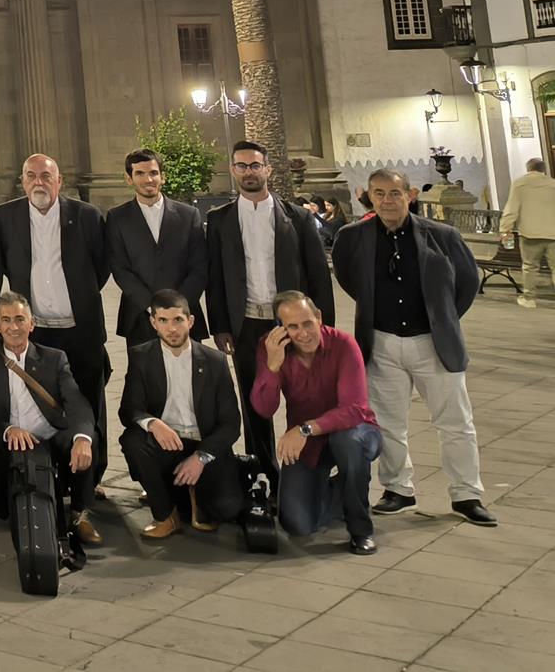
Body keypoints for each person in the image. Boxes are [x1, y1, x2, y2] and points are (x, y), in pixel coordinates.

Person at [331, 168, 493, 526]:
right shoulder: (352, 237)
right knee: (388, 423)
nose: (387, 200)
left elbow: (466, 282)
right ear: (369, 197)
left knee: (456, 422)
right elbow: (349, 278)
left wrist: (442, 318)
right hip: (382, 341)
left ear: (411, 195)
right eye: (379, 193)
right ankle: (398, 489)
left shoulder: (443, 236)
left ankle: (467, 494)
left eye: (394, 193)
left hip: (432, 342)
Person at [205, 140, 336, 463]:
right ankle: (264, 472)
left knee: (306, 395)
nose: (248, 172)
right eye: (241, 166)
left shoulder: (297, 219)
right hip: (246, 324)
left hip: (292, 324)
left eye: (254, 165)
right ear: (233, 170)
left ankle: (310, 465)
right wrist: (220, 326)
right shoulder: (219, 220)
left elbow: (319, 275)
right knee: (255, 401)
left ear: (268, 169)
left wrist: (324, 325)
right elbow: (215, 278)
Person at [0, 154, 110, 482]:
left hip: (80, 329)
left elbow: (101, 266)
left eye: (46, 176)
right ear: (23, 181)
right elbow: (0, 263)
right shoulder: (5, 217)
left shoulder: (86, 216)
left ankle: (92, 479)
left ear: (59, 181)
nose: (38, 182)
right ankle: (50, 471)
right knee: (42, 404)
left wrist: (77, 296)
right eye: (31, 176)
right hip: (36, 332)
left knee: (89, 402)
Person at [0, 292, 99, 545]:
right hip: (10, 445)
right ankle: (20, 506)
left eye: (20, 319)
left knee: (84, 438)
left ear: (32, 324)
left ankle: (79, 513)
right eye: (6, 320)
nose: (14, 327)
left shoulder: (54, 358)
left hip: (50, 438)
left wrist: (83, 439)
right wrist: (8, 431)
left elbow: (77, 403)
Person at [250, 291, 381, 554]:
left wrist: (305, 428)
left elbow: (354, 409)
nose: (303, 333)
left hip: (354, 432)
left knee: (348, 442)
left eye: (307, 323)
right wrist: (272, 367)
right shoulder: (271, 348)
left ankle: (360, 529)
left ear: (319, 317)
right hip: (307, 443)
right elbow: (264, 409)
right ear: (281, 328)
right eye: (293, 327)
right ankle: (340, 494)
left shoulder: (344, 344)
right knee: (297, 524)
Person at [118, 289, 244, 537]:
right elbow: (129, 410)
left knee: (227, 508)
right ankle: (165, 515)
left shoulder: (215, 361)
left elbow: (231, 424)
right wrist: (153, 423)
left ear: (191, 321)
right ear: (153, 323)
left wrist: (201, 456)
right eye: (163, 321)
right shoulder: (141, 357)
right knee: (133, 440)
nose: (171, 328)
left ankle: (189, 492)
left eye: (178, 320)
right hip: (167, 444)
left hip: (203, 446)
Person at [105, 149, 208, 342]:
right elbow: (120, 268)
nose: (148, 179)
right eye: (140, 173)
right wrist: (152, 307)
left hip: (184, 316)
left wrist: (177, 308)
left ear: (163, 177)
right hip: (140, 316)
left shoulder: (189, 215)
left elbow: (199, 265)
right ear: (129, 179)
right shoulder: (117, 218)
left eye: (153, 173)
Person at [497, 155, 555, 306]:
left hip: (530, 234)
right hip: (553, 233)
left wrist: (505, 230)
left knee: (529, 266)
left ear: (528, 169)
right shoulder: (552, 184)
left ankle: (529, 298)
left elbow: (511, 209)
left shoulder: (520, 184)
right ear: (544, 170)